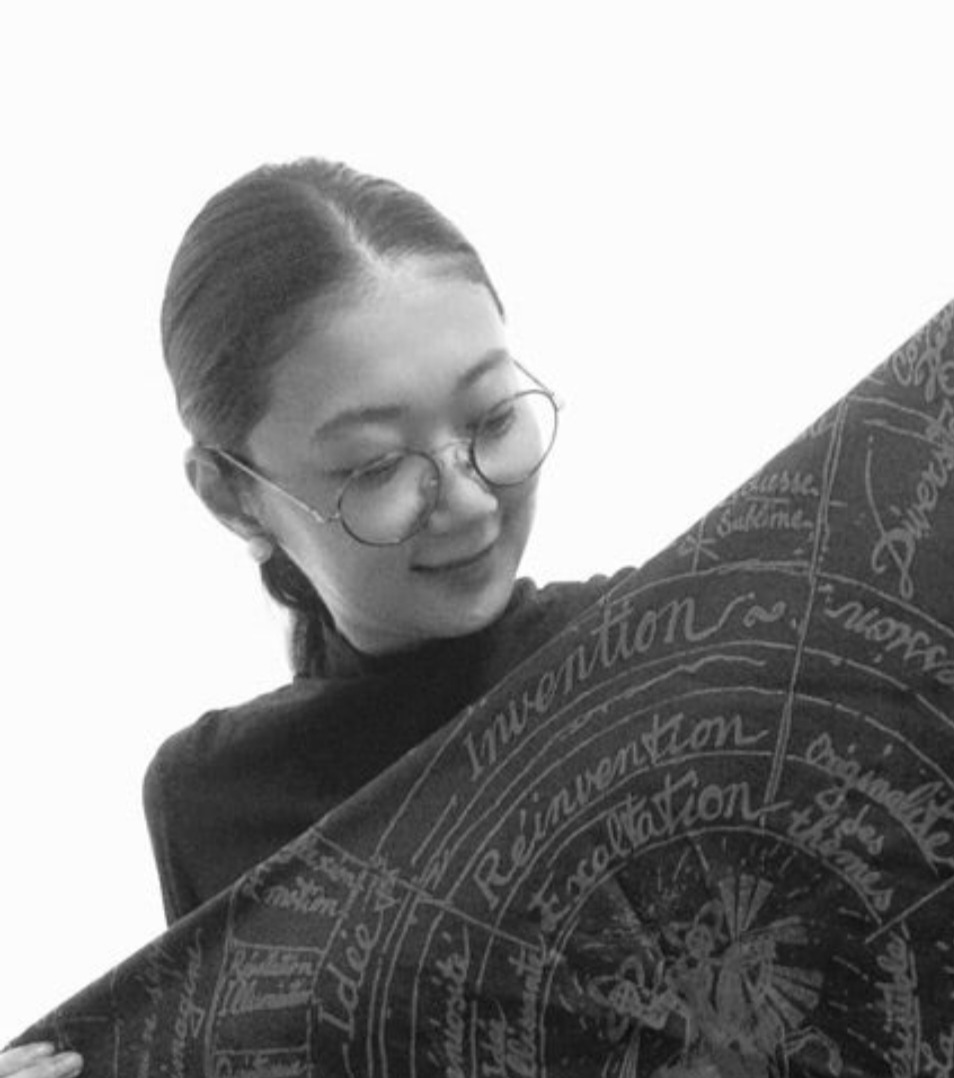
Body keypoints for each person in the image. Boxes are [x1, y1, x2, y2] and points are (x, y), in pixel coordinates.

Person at [3, 158, 627, 1076]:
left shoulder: (676, 646)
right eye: (375, 467)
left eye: (493, 419)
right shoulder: (213, 801)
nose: (466, 501)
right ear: (232, 496)